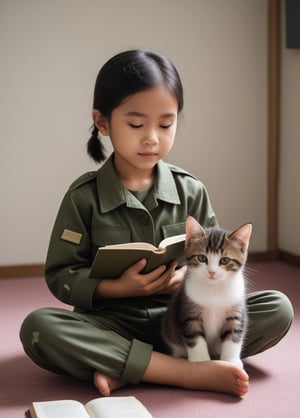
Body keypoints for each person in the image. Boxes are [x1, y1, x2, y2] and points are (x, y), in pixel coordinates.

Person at [20, 49, 293, 397]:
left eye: (165, 124)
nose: (151, 137)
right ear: (103, 123)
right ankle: (184, 372)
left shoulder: (191, 190)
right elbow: (61, 276)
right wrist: (120, 288)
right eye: (136, 124)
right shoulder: (82, 197)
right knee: (40, 328)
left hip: (183, 320)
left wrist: (185, 278)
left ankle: (131, 368)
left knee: (277, 308)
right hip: (111, 324)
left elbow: (219, 259)